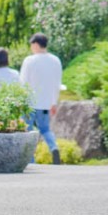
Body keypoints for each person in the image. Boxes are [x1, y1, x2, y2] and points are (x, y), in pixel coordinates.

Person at [20, 33, 63, 164]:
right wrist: (54, 103)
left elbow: (23, 82)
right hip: (46, 103)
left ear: (36, 44)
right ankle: (54, 147)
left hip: (30, 103)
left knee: (28, 132)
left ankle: (30, 159)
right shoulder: (55, 60)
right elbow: (57, 84)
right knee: (45, 129)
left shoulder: (29, 61)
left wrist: (21, 101)